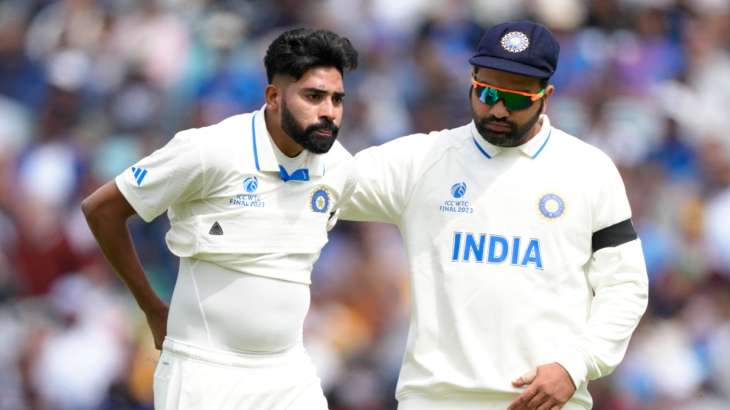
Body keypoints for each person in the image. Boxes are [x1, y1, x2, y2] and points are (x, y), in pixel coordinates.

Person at [341, 20, 649, 410]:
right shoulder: (423, 160)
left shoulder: (589, 170)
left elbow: (625, 286)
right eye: (487, 92)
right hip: (437, 400)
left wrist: (576, 366)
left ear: (546, 96)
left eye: (517, 100)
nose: (499, 109)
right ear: (471, 81)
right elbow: (325, 184)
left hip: (544, 401)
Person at [81, 28, 358, 410]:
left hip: (289, 371)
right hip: (204, 374)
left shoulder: (339, 166)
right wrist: (151, 306)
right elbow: (101, 209)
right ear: (274, 97)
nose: (328, 111)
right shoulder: (209, 150)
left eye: (336, 99)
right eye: (313, 96)